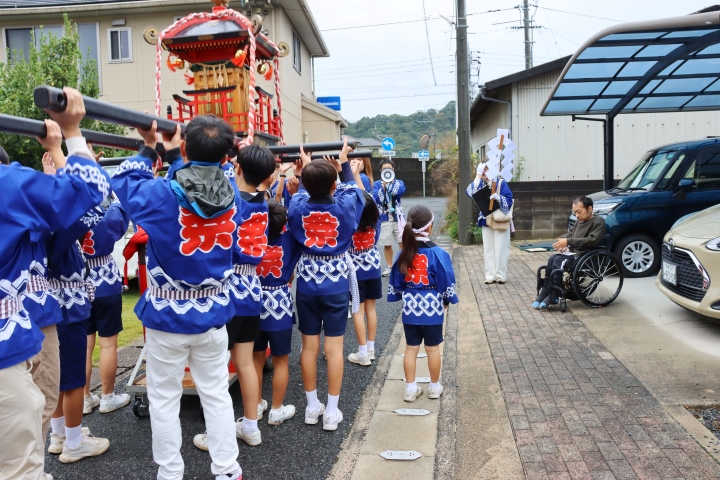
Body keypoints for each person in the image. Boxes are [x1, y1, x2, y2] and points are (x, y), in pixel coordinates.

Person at [111, 116, 243, 480]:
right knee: (215, 394)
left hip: (168, 315)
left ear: (185, 147)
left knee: (164, 398)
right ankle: (227, 470)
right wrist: (172, 153)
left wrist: (148, 145)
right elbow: (194, 180)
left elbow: (124, 181)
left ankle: (170, 473)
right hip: (213, 312)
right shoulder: (233, 191)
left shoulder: (162, 194)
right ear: (226, 157)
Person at [0, 87, 110, 480]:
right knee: (22, 447)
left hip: (34, 319)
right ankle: (69, 441)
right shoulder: (14, 193)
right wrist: (69, 137)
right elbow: (91, 198)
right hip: (39, 320)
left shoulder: (28, 213)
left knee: (41, 408)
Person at [287, 140, 364, 431]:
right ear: (333, 186)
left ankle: (311, 406)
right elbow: (354, 190)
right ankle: (331, 411)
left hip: (307, 282)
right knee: (334, 349)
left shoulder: (297, 206)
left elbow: (301, 192)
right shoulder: (344, 207)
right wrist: (342, 162)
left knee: (308, 347)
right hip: (335, 283)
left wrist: (306, 168)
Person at [222, 144, 275, 448]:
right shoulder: (262, 204)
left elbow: (227, 185)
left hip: (227, 290)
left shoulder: (230, 201)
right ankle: (251, 426)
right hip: (252, 289)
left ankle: (219, 432)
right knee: (244, 362)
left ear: (237, 168)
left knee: (217, 367)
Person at [388, 205, 458, 402]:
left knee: (411, 348)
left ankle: (410, 389)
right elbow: (447, 280)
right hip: (432, 308)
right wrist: (446, 300)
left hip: (411, 307)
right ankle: (434, 387)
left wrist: (404, 294)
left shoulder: (403, 253)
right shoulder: (438, 253)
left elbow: (397, 282)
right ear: (429, 227)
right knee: (433, 349)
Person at [252, 199, 302, 425]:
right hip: (280, 301)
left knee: (255, 359)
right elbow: (298, 219)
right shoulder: (291, 239)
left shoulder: (252, 238)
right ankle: (276, 409)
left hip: (254, 301)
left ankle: (256, 405)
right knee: (281, 360)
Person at [82, 195, 131, 415]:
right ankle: (108, 397)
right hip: (106, 281)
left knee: (84, 345)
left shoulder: (70, 212)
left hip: (79, 282)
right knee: (108, 344)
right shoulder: (106, 214)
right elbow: (121, 208)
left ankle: (84, 397)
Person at [533, 196, 606, 309]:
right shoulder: (579, 221)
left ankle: (555, 294)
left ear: (590, 209)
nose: (577, 215)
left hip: (585, 254)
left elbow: (592, 240)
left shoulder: (598, 221)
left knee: (559, 261)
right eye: (575, 212)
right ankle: (546, 289)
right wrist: (561, 240)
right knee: (552, 259)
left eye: (579, 212)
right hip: (573, 253)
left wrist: (568, 242)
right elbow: (570, 234)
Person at [347, 191, 382, 366]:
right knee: (371, 309)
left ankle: (362, 353)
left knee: (358, 311)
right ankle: (371, 348)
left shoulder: (349, 226)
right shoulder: (375, 225)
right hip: (374, 268)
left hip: (356, 273)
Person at [466, 164, 514, 284]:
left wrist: (499, 198)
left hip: (499, 219)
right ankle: (490, 275)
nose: (484, 171)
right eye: (482, 169)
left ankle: (501, 275)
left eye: (486, 169)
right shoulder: (480, 184)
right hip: (486, 218)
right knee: (488, 249)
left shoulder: (501, 183)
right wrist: (478, 175)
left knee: (501, 248)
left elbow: (509, 200)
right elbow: (470, 192)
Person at [372, 158, 405, 276]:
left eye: (389, 169)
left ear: (393, 169)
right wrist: (383, 187)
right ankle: (390, 267)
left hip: (398, 217)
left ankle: (403, 266)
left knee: (402, 242)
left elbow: (399, 192)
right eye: (385, 169)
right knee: (387, 243)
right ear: (381, 170)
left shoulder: (398, 182)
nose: (387, 171)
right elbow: (376, 198)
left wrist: (389, 185)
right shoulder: (376, 184)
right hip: (384, 217)